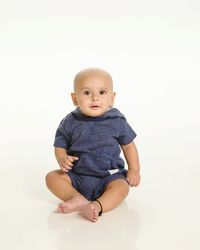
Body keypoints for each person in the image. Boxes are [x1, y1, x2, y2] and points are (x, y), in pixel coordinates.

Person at [46, 67, 140, 222]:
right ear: (75, 98)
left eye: (102, 92)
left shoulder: (117, 121)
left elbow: (128, 146)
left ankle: (97, 206)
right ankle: (76, 198)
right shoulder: (70, 122)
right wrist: (62, 158)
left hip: (108, 177)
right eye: (87, 93)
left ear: (112, 97)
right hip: (77, 176)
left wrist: (134, 170)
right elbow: (60, 145)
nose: (95, 98)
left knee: (122, 188)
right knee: (52, 177)